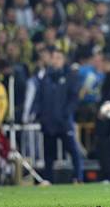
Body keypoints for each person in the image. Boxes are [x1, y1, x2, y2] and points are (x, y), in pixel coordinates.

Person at [33, 48, 83, 183]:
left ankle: (78, 177)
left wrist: (66, 113)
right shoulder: (46, 77)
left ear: (63, 60)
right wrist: (37, 113)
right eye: (53, 57)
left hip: (64, 121)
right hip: (48, 122)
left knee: (73, 150)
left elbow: (74, 98)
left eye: (58, 58)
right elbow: (39, 97)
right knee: (49, 154)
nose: (55, 60)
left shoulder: (70, 76)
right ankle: (48, 180)